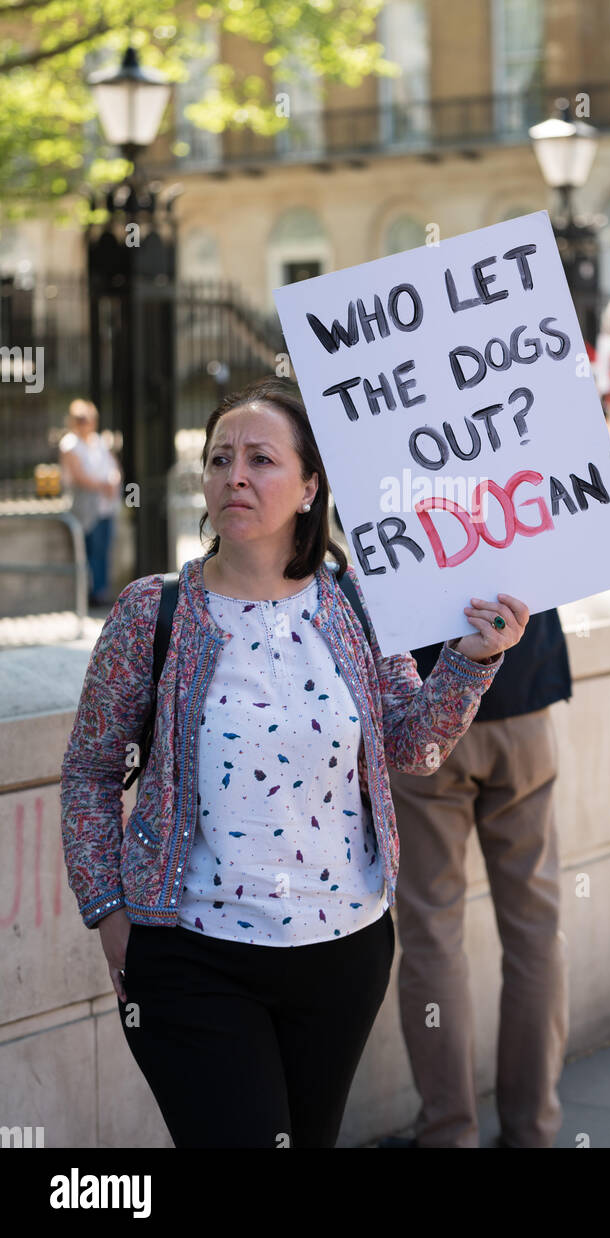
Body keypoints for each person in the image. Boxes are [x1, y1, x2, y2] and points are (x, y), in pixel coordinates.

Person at [59, 375, 529, 1149]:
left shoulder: (357, 605)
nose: (234, 475)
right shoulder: (152, 612)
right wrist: (108, 909)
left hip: (341, 951)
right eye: (219, 459)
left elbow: (413, 744)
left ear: (310, 487)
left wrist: (473, 660)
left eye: (260, 460)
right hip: (190, 953)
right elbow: (90, 770)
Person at [381, 608, 572, 1149]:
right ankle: (533, 1130)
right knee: (537, 926)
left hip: (429, 707)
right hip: (524, 700)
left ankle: (447, 1134)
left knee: (432, 932)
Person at [58, 399, 122, 606]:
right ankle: (90, 595)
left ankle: (101, 591)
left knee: (103, 549)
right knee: (89, 551)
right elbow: (78, 476)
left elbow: (114, 465)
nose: (84, 423)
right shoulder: (70, 444)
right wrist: (104, 485)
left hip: (105, 505)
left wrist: (113, 480)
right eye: (80, 419)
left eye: (87, 419)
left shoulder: (99, 441)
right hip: (86, 506)